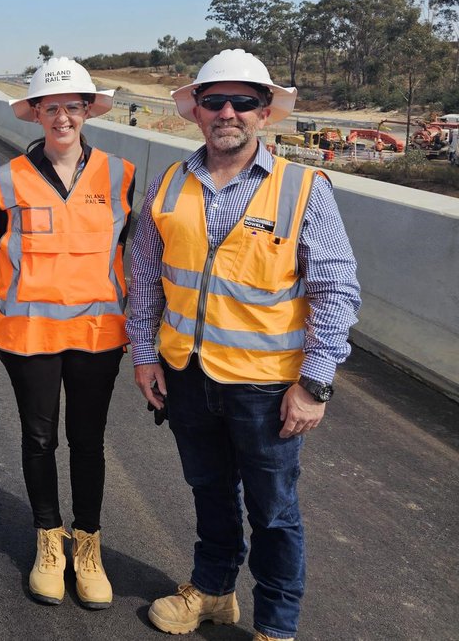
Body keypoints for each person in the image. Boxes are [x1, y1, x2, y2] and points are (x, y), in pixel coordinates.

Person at [127, 49, 361, 641]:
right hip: (188, 374)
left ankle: (277, 626)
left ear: (264, 112)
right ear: (197, 111)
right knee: (209, 492)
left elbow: (336, 289)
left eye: (243, 101)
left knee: (273, 510)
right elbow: (146, 278)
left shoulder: (303, 188)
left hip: (266, 387)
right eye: (214, 101)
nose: (227, 112)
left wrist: (314, 383)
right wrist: (146, 355)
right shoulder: (169, 184)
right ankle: (213, 592)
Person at [0, 57, 135, 609]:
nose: (63, 117)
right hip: (30, 338)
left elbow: (128, 254)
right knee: (39, 440)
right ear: (36, 114)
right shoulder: (3, 181)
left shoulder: (120, 175)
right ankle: (49, 541)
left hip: (97, 337)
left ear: (88, 110)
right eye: (52, 108)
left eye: (73, 106)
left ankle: (87, 544)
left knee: (88, 441)